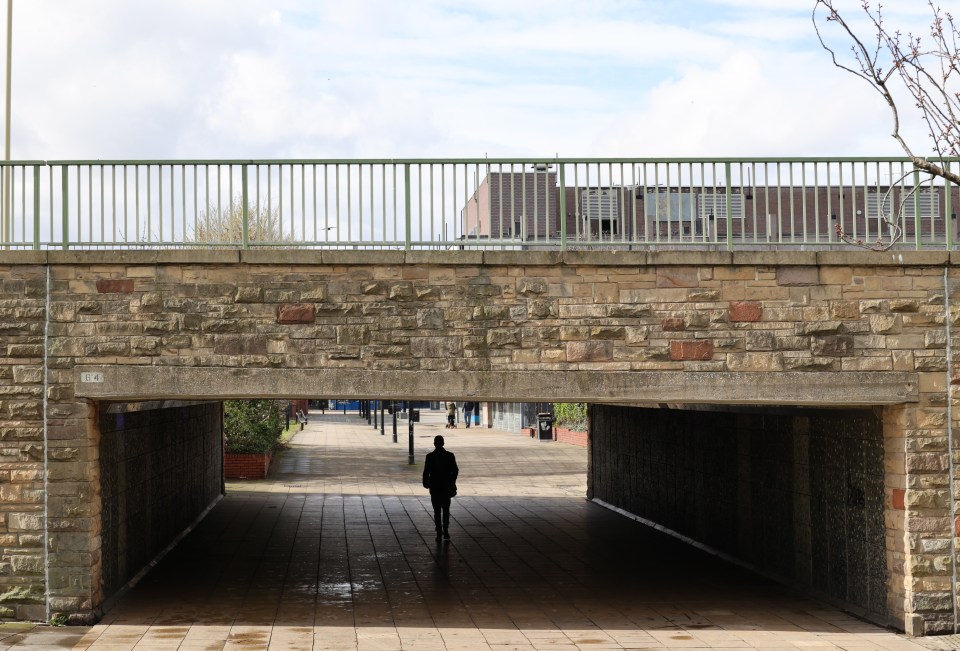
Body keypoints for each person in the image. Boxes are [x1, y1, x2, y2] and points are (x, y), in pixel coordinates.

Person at [422, 434, 459, 541]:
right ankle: (445, 530)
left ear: (434, 444)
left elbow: (426, 472)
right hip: (446, 487)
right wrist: (452, 481)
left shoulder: (430, 457)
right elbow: (455, 470)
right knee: (446, 510)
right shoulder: (450, 456)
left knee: (437, 511)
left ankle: (438, 532)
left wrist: (426, 483)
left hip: (435, 487)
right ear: (443, 443)